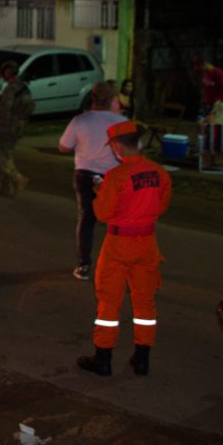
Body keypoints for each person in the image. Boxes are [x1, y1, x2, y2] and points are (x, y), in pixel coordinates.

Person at [77, 120, 171, 378]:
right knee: (144, 303)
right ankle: (142, 360)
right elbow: (161, 207)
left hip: (119, 245)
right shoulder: (160, 172)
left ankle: (103, 360)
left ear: (118, 146)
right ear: (138, 143)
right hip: (147, 243)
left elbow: (104, 213)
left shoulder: (116, 176)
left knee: (108, 303)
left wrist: (99, 191)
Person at [58, 82, 128, 280]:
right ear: (113, 100)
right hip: (114, 177)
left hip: (85, 175)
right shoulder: (122, 122)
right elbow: (135, 150)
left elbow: (63, 147)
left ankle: (84, 265)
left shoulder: (81, 120)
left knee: (87, 219)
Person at [0, 61, 34, 197]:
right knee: (7, 155)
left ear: (7, 72)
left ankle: (18, 178)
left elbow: (5, 111)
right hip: (19, 126)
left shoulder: (11, 89)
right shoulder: (23, 87)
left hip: (7, 127)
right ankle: (6, 187)